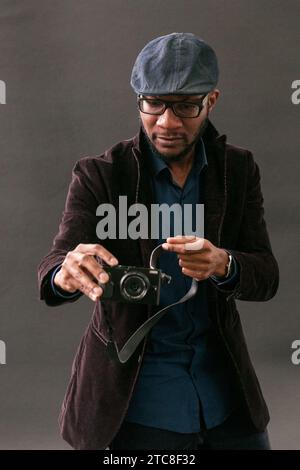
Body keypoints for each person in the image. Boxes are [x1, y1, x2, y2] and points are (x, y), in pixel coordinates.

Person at [37, 32, 279, 450]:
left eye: (186, 106)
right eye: (155, 104)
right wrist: (66, 273)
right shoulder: (100, 175)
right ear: (139, 101)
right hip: (132, 401)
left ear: (212, 101)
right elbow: (54, 266)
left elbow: (267, 276)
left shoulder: (237, 170)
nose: (167, 122)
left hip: (225, 398)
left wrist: (225, 264)